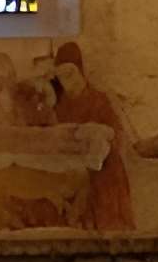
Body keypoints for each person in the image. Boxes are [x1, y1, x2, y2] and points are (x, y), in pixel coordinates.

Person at [50, 43, 134, 232]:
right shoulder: (60, 108)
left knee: (111, 230)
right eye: (61, 77)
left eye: (70, 74)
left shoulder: (99, 100)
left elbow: (117, 136)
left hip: (106, 174)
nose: (66, 81)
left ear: (80, 71)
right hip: (75, 175)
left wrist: (99, 136)